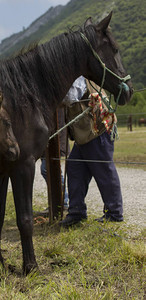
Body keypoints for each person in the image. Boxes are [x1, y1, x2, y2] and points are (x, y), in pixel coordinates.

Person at [60, 76, 123, 227]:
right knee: (75, 168)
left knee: (104, 171)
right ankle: (77, 212)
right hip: (85, 133)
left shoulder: (77, 76)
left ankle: (114, 213)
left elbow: (71, 97)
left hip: (96, 130)